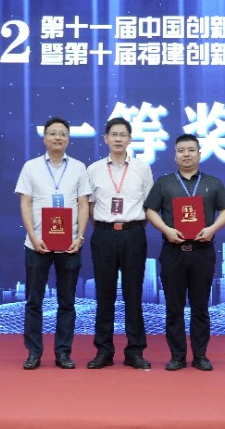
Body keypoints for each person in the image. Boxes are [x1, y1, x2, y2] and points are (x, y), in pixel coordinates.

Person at [144, 134, 225, 371]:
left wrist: (212, 229)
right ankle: (177, 356)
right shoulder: (164, 183)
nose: (186, 154)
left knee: (200, 307)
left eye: (191, 150)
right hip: (173, 251)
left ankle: (201, 355)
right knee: (174, 307)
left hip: (203, 251)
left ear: (199, 154)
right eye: (181, 150)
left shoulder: (213, 183)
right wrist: (166, 230)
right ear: (175, 155)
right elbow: (150, 210)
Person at [14, 117, 91, 370]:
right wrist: (33, 237)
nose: (58, 137)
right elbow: (25, 204)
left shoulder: (79, 167)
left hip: (69, 245)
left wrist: (79, 237)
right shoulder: (31, 167)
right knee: (34, 302)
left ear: (68, 139)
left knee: (67, 302)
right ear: (44, 137)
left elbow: (83, 204)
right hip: (37, 244)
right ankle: (34, 353)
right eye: (53, 133)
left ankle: (63, 353)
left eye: (63, 134)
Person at [86, 117, 154, 370]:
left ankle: (135, 351)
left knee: (133, 294)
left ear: (129, 139)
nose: (118, 139)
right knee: (104, 294)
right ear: (105, 138)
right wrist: (106, 227)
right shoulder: (94, 169)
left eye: (122, 135)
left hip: (133, 233)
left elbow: (149, 205)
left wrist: (130, 227)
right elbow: (89, 206)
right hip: (103, 234)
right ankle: (104, 350)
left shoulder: (142, 168)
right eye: (113, 134)